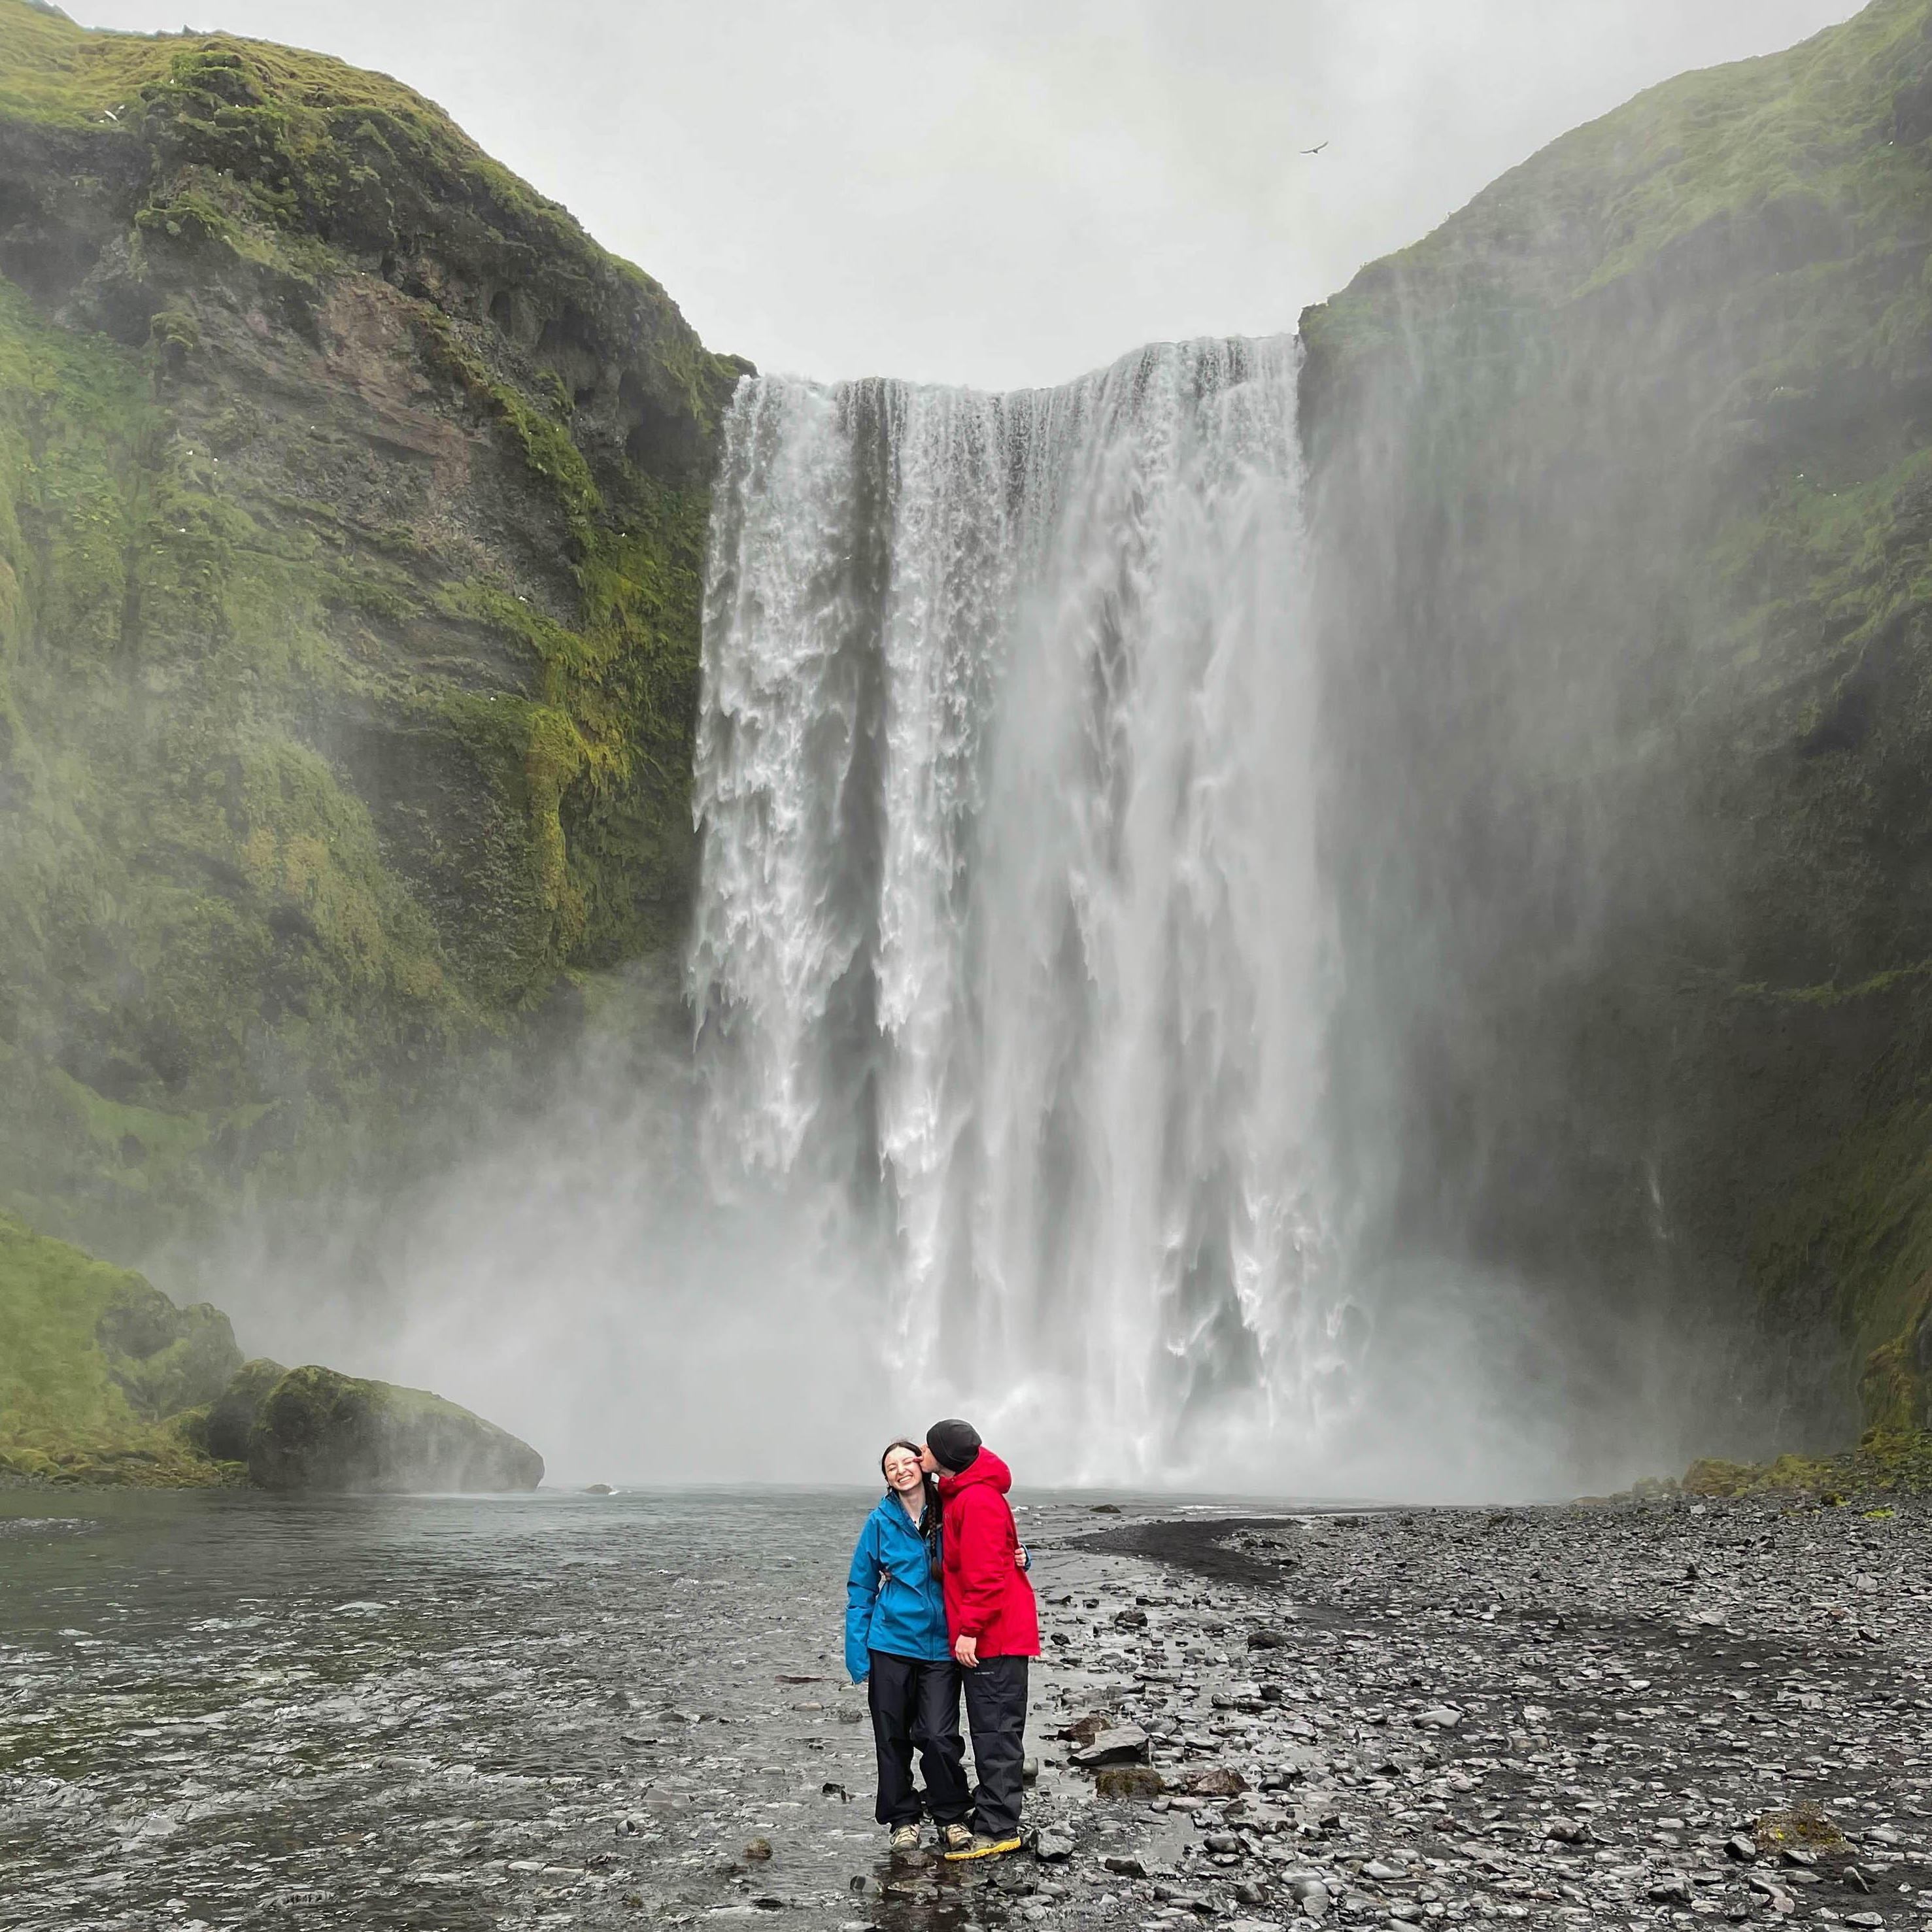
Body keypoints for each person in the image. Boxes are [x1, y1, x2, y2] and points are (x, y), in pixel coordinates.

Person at [844, 1440, 974, 1854]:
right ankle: (903, 1819)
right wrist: (857, 1652)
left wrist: (1022, 1556)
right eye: (891, 1467)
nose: (901, 1470)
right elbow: (861, 1588)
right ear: (886, 1478)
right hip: (890, 1645)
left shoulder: (953, 1509)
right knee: (892, 1737)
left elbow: (989, 1549)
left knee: (938, 1736)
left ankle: (950, 1814)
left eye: (907, 1461)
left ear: (923, 1465)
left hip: (940, 1647)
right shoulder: (880, 1522)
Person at [922, 1417, 1039, 1861]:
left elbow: (987, 1573)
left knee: (996, 1730)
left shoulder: (977, 1499)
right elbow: (983, 1558)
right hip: (992, 1633)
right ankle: (992, 1811)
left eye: (928, 1446)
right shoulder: (962, 1494)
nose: (920, 1452)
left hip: (996, 1636)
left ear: (946, 1458)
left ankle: (998, 1828)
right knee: (991, 1727)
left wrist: (969, 1628)